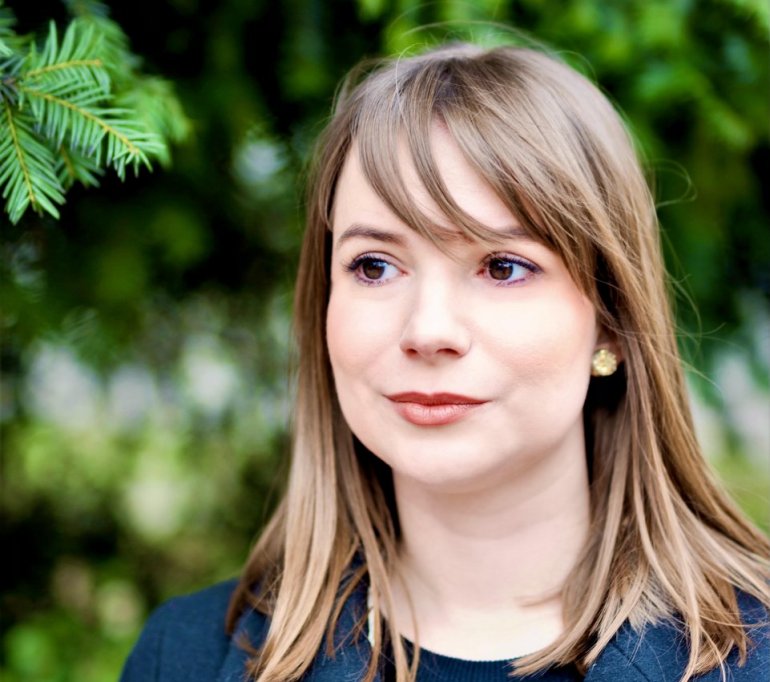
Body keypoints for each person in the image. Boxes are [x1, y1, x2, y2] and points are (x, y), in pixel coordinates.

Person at [120, 41, 770, 682]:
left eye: (503, 266)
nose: (428, 331)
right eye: (375, 266)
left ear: (611, 319)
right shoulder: (183, 659)